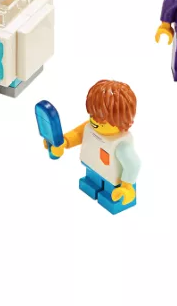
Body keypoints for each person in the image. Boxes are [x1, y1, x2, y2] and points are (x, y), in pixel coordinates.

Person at [41, 80, 140, 214]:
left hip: (113, 183)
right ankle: (92, 184)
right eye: (93, 115)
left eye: (102, 119)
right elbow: (77, 134)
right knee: (91, 182)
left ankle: (114, 195)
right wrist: (63, 142)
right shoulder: (90, 127)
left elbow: (133, 164)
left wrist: (128, 186)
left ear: (121, 120)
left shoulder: (121, 144)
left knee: (110, 194)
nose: (94, 121)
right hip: (92, 169)